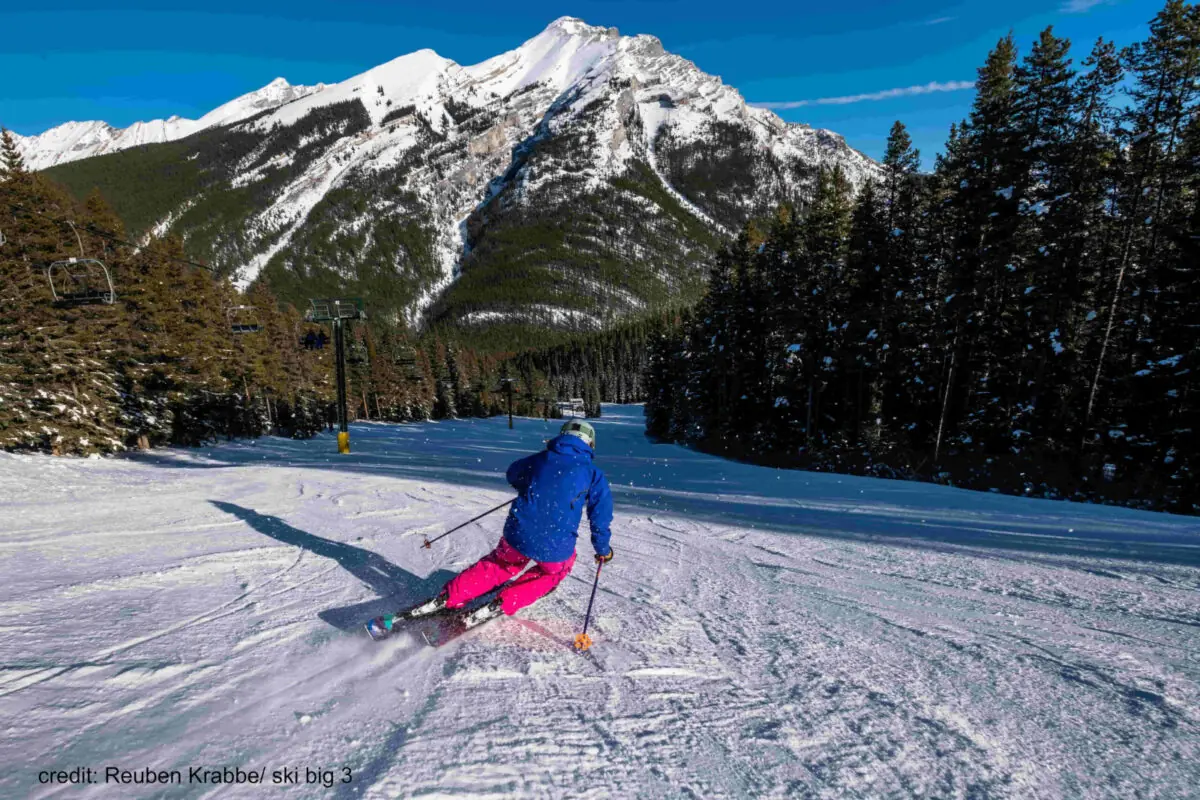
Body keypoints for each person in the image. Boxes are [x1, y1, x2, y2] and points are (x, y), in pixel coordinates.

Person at [412, 419, 613, 629]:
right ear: (590, 444)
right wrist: (603, 550)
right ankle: (504, 602)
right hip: (555, 544)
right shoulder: (593, 474)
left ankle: (448, 597)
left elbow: (513, 473)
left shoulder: (541, 459)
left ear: (563, 436)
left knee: (501, 563)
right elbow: (600, 516)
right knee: (554, 571)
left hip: (518, 534)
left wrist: (530, 485)